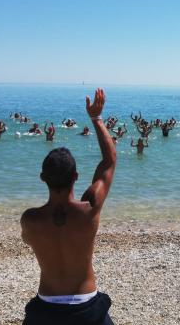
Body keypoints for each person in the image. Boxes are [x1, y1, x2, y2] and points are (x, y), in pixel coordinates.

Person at [21, 89, 116, 325]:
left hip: (45, 310)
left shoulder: (31, 220)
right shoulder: (88, 210)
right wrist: (96, 118)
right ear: (75, 176)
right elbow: (109, 160)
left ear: (43, 177)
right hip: (88, 308)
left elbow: (28, 239)